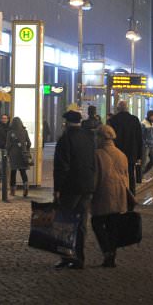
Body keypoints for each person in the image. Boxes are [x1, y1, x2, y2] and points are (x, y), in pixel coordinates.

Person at [53, 108, 97, 270]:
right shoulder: (88, 137)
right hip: (86, 187)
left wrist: (57, 188)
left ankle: (66, 256)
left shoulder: (65, 139)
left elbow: (62, 166)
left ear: (66, 123)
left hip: (70, 187)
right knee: (81, 224)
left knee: (65, 222)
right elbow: (93, 162)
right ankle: (80, 257)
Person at [91, 124, 130, 268]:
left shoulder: (97, 154)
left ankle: (107, 251)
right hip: (119, 194)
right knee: (113, 226)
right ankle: (111, 255)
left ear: (101, 137)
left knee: (97, 223)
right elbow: (126, 176)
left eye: (97, 136)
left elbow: (94, 177)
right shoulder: (121, 154)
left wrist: (91, 194)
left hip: (103, 194)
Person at [107, 101, 142, 193]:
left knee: (116, 174)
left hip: (116, 152)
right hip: (131, 153)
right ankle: (131, 194)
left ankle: (119, 193)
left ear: (118, 109)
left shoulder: (112, 120)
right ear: (127, 108)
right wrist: (139, 155)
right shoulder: (134, 120)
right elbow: (139, 138)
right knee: (130, 174)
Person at [6, 116, 32, 197]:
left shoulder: (10, 132)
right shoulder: (24, 131)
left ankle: (13, 191)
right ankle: (26, 187)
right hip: (22, 154)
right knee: (23, 172)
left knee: (13, 173)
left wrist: (8, 152)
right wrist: (26, 149)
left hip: (13, 154)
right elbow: (29, 143)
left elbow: (8, 145)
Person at [139, 110, 153, 182]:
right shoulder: (143, 124)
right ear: (150, 116)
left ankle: (142, 173)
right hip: (145, 146)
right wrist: (144, 144)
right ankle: (140, 177)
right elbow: (141, 136)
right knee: (143, 162)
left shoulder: (152, 124)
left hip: (151, 146)